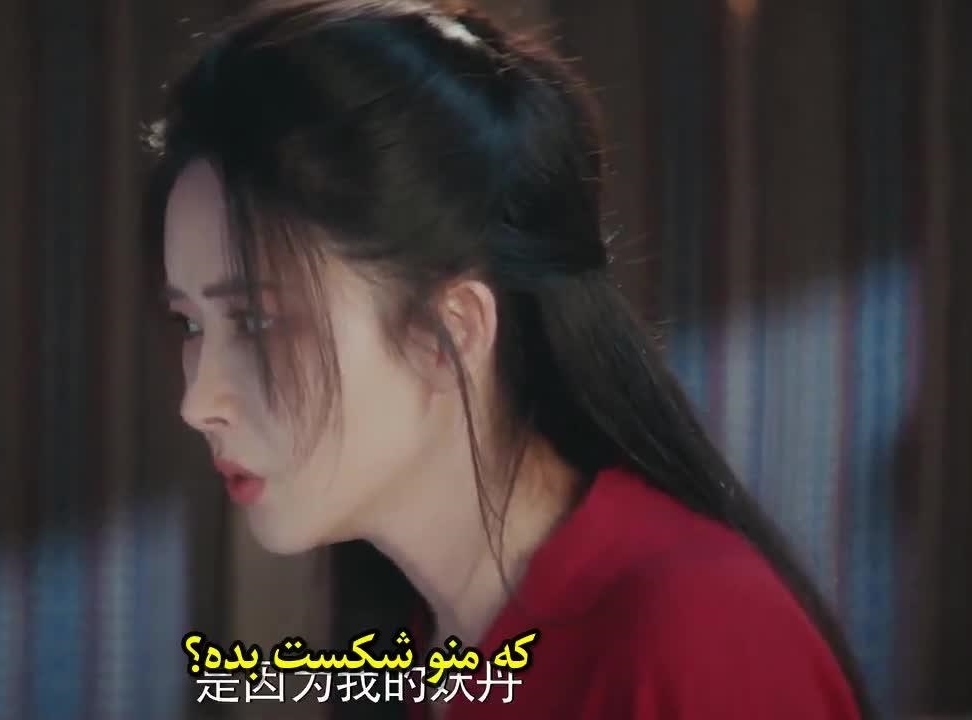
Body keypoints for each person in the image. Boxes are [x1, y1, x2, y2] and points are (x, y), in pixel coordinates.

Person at [146, 1, 870, 717]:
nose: (197, 402)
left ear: (448, 332)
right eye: (190, 323)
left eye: (257, 321)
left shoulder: (697, 636)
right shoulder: (422, 642)